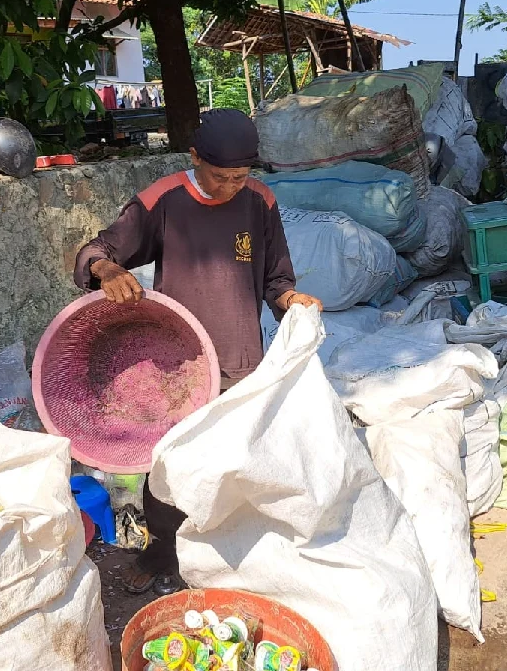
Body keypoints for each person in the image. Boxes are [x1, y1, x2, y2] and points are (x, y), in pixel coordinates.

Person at [73, 108, 321, 595]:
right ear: (194, 158)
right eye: (219, 176)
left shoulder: (260, 200)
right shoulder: (164, 199)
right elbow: (98, 249)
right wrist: (107, 272)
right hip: (178, 365)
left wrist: (290, 299)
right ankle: (163, 550)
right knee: (169, 466)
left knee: (235, 462)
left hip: (241, 356)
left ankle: (230, 558)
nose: (230, 187)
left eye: (240, 177)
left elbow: (276, 276)